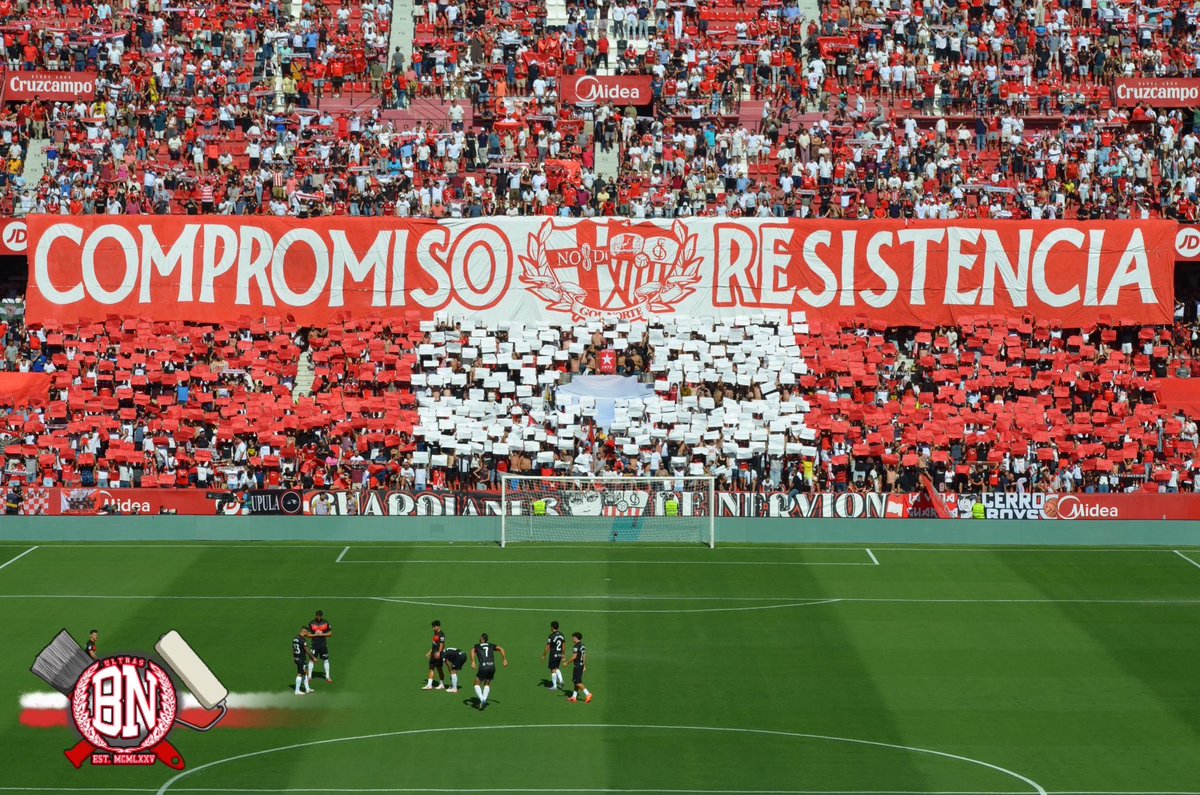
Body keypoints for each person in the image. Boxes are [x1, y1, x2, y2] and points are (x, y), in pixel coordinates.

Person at [470, 633, 508, 709]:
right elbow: (501, 648)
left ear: (482, 639)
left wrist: (473, 661)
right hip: (492, 667)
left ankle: (482, 699)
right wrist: (504, 659)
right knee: (487, 683)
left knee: (476, 683)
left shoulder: (477, 646)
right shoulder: (491, 645)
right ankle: (483, 700)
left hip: (483, 667)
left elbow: (472, 650)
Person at [564, 632, 592, 703]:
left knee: (577, 682)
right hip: (581, 665)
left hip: (577, 666)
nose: (572, 639)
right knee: (576, 681)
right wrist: (584, 665)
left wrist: (567, 663)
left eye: (573, 637)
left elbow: (574, 657)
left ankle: (588, 694)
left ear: (576, 638)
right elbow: (583, 656)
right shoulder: (583, 646)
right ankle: (574, 697)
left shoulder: (576, 646)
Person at [307, 610, 333, 683]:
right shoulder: (311, 623)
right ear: (316, 616)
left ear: (321, 616)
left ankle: (327, 676)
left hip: (323, 645)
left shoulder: (325, 623)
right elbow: (308, 635)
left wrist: (323, 634)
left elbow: (330, 633)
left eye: (319, 617)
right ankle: (309, 676)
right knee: (312, 659)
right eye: (317, 616)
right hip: (314, 645)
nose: (318, 618)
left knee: (326, 660)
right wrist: (316, 635)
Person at [541, 620, 565, 690]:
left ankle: (554, 686)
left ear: (552, 627)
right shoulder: (562, 635)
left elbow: (548, 647)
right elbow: (564, 646)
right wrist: (563, 654)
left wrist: (544, 655)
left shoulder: (551, 636)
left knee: (553, 670)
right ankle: (561, 680)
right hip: (559, 654)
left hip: (553, 654)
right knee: (557, 668)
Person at [424, 620, 446, 690]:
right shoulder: (435, 633)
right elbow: (434, 644)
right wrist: (430, 652)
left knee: (439, 669)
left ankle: (442, 684)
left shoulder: (441, 635)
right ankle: (429, 685)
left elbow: (442, 644)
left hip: (438, 654)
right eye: (432, 627)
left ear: (438, 626)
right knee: (431, 668)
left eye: (434, 627)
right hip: (433, 654)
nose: (433, 628)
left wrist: (439, 652)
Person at [293, 627, 314, 695]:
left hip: (297, 658)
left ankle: (307, 689)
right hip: (301, 659)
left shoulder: (295, 639)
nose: (308, 634)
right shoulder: (302, 640)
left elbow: (294, 650)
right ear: (304, 632)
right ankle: (297, 691)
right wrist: (313, 657)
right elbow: (307, 650)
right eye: (307, 632)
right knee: (300, 674)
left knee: (305, 673)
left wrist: (295, 657)